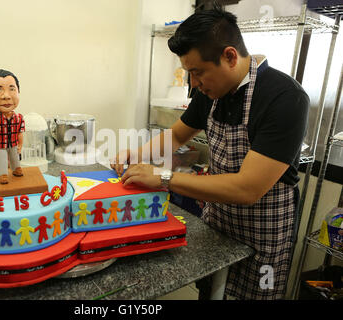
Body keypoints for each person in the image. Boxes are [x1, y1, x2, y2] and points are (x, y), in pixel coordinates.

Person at [111, 7, 309, 300]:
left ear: (230, 56)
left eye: (197, 72)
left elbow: (247, 188)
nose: (193, 84)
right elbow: (177, 134)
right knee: (210, 292)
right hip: (217, 220)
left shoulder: (285, 97)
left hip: (263, 230)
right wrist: (137, 156)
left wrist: (164, 177)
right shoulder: (210, 91)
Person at [0, 69, 25, 184]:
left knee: (15, 157)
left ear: (18, 92)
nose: (6, 96)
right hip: (0, 145)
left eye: (12, 89)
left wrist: (20, 144)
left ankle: (17, 169)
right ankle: (3, 174)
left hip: (13, 143)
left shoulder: (19, 117)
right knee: (2, 159)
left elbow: (20, 132)